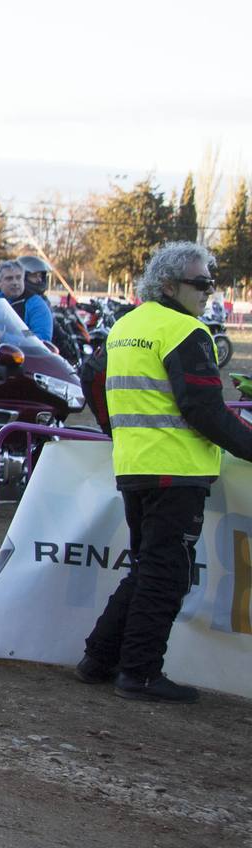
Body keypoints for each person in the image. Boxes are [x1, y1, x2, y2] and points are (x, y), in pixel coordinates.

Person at [77, 242, 252, 703]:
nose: (209, 292)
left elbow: (90, 375)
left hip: (136, 467)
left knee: (148, 568)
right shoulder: (186, 331)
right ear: (170, 284)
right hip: (176, 472)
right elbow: (204, 409)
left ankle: (99, 659)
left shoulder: (126, 326)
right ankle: (138, 672)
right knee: (165, 575)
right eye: (201, 283)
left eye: (211, 282)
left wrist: (116, 430)